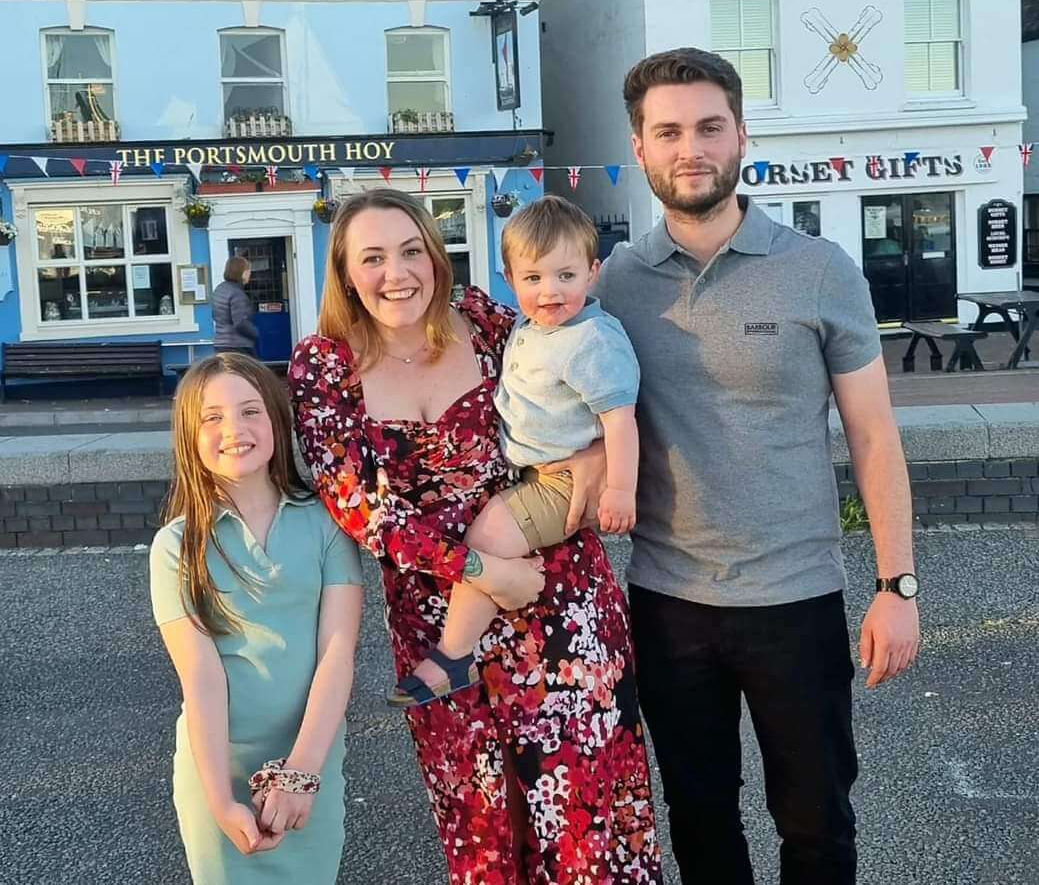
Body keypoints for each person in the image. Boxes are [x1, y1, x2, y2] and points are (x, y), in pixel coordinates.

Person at [593, 48, 921, 885]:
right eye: (668, 131)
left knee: (816, 825)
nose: (690, 147)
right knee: (699, 825)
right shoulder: (615, 284)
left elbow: (875, 438)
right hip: (669, 604)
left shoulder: (819, 271)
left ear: (742, 134)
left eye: (709, 126)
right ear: (639, 147)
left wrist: (898, 586)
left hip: (796, 600)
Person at [289, 187, 663, 883]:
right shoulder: (324, 366)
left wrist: (593, 461)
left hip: (559, 600)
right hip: (442, 632)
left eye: (410, 251)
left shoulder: (491, 322)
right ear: (344, 273)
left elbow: (593, 394)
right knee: (483, 828)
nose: (396, 272)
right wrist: (484, 572)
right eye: (372, 258)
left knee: (586, 820)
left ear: (436, 257)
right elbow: (359, 508)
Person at [389, 194, 640, 708]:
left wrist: (619, 488)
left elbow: (622, 419)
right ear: (509, 278)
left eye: (565, 276)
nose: (550, 292)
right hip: (536, 473)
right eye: (534, 279)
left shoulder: (590, 340)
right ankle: (460, 650)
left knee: (489, 534)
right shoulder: (529, 326)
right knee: (491, 533)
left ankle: (453, 655)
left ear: (593, 274)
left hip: (561, 481)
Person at [149, 353, 363, 884]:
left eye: (250, 411)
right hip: (220, 767)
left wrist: (302, 772)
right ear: (189, 437)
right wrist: (221, 800)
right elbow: (201, 679)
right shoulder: (177, 545)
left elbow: (337, 655)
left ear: (276, 420)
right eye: (212, 417)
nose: (234, 430)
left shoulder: (327, 523)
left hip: (311, 760)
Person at [213, 255, 259, 357]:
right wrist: (256, 333)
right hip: (238, 345)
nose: (250, 274)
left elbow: (215, 315)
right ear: (242, 272)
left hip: (220, 343)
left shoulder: (219, 289)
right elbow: (240, 323)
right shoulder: (237, 294)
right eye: (248, 270)